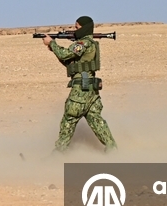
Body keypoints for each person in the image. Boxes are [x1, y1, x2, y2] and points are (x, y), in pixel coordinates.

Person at [42, 16, 117, 152]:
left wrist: (52, 43)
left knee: (69, 119)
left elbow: (65, 54)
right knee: (96, 120)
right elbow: (71, 65)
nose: (75, 29)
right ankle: (112, 150)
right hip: (91, 90)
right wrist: (54, 49)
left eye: (77, 27)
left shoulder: (83, 43)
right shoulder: (90, 43)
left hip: (81, 89)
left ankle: (59, 153)